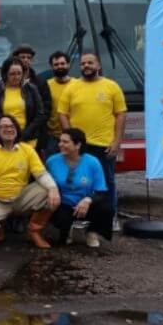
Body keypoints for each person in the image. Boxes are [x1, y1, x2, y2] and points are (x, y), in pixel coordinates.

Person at [0, 115, 60, 248]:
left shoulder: (27, 149)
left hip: (20, 197)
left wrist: (53, 189)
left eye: (12, 126)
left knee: (51, 193)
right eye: (4, 126)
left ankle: (34, 231)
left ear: (17, 129)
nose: (9, 129)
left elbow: (41, 174)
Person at [58, 52, 126, 225]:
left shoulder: (112, 86)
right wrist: (70, 140)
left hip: (104, 145)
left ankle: (109, 218)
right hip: (79, 147)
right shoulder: (72, 87)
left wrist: (117, 142)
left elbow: (120, 115)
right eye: (82, 63)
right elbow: (62, 114)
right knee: (79, 182)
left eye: (90, 62)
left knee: (107, 182)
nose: (86, 66)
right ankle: (80, 218)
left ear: (98, 66)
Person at [47, 128, 112, 248]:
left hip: (86, 203)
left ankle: (92, 231)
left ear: (78, 145)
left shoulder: (92, 162)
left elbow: (101, 190)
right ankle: (67, 230)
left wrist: (88, 200)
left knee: (106, 207)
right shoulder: (52, 161)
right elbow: (44, 182)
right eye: (60, 141)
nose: (60, 144)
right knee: (59, 219)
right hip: (63, 203)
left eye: (65, 142)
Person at [0, 57, 46, 147]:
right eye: (12, 74)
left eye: (19, 73)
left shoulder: (31, 89)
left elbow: (40, 114)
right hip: (4, 138)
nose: (16, 77)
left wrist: (26, 133)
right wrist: (1, 130)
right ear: (5, 74)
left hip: (28, 138)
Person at [13, 45, 53, 139]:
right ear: (15, 59)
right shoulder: (6, 83)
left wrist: (30, 129)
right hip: (12, 131)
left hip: (36, 134)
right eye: (22, 57)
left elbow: (46, 109)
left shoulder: (40, 82)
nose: (26, 60)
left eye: (29, 58)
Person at [45, 51, 76, 157]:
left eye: (62, 64)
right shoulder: (46, 86)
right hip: (53, 138)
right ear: (51, 67)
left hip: (74, 137)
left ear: (68, 64)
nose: (60, 66)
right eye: (56, 64)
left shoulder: (78, 85)